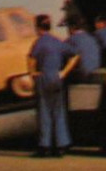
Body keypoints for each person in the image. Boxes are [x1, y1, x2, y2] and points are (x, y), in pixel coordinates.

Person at [27, 15, 78, 157]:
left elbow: (31, 59)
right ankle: (61, 145)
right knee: (58, 111)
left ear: (37, 27)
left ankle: (45, 146)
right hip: (57, 77)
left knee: (44, 112)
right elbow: (74, 55)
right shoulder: (58, 41)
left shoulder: (38, 43)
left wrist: (32, 73)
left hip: (44, 77)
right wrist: (64, 72)